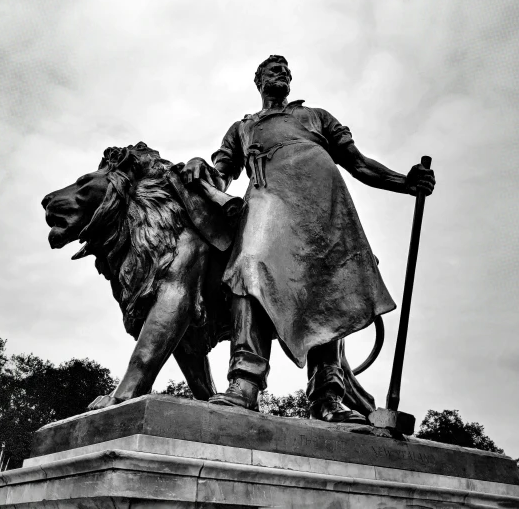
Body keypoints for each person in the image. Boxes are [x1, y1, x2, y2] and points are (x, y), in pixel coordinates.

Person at [182, 55, 435, 422]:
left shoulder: (315, 116)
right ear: (258, 80)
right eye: (273, 70)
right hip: (269, 200)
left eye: (286, 70)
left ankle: (327, 397)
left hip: (323, 207)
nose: (281, 74)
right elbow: (221, 175)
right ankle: (245, 382)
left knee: (327, 290)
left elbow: (359, 163)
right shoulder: (243, 128)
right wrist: (199, 166)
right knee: (248, 269)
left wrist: (405, 183)